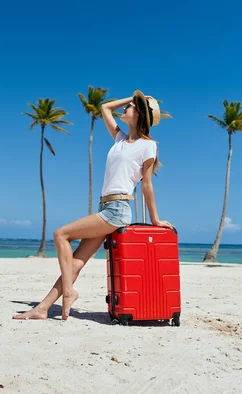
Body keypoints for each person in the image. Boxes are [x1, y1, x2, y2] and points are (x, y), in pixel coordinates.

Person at [13, 90, 175, 321]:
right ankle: (42, 308)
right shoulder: (120, 140)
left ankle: (68, 292)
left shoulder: (148, 146)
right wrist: (132, 98)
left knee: (61, 235)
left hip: (118, 209)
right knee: (75, 263)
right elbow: (105, 108)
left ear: (139, 115)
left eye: (130, 108)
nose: (124, 109)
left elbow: (147, 185)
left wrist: (155, 220)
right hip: (106, 208)